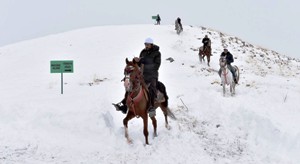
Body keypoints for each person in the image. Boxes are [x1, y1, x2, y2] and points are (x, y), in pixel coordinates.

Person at [113, 37, 161, 117]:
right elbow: (139, 64)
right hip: (142, 75)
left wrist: (144, 63)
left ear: (151, 45)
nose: (146, 45)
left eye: (147, 44)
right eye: (145, 44)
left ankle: (151, 107)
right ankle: (124, 105)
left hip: (152, 75)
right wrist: (137, 61)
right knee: (130, 86)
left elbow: (156, 65)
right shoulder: (143, 52)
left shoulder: (157, 53)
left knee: (151, 89)